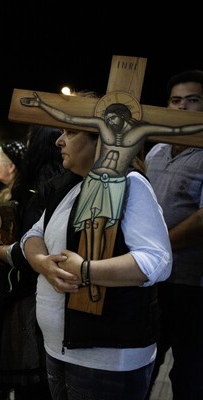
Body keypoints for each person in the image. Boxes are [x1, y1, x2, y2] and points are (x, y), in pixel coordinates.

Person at [20, 120, 172, 399]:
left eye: (71, 132)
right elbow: (33, 234)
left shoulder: (130, 183)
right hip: (58, 349)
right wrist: (42, 263)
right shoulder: (67, 185)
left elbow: (156, 260)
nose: (59, 141)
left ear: (100, 141)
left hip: (107, 359)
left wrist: (85, 270)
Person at [20, 92, 203, 265]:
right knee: (88, 233)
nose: (110, 121)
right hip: (95, 182)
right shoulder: (70, 183)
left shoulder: (137, 138)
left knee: (101, 240)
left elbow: (177, 128)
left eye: (70, 133)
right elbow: (68, 118)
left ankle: (90, 278)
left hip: (115, 183)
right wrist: (42, 105)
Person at [0, 126, 64, 400]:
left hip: (25, 289)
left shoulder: (37, 190)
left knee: (30, 374)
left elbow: (29, 243)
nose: (62, 142)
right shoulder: (6, 189)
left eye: (30, 141)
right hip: (11, 280)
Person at [144, 70, 203, 400]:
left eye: (192, 100)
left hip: (191, 285)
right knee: (145, 363)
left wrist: (157, 245)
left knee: (189, 373)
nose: (182, 108)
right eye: (175, 100)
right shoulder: (157, 150)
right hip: (154, 280)